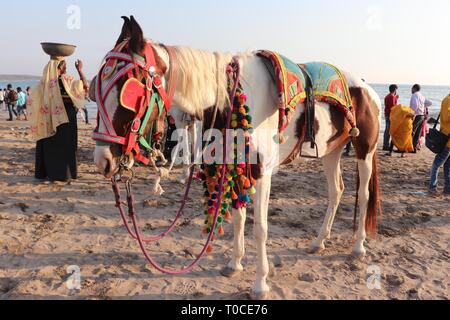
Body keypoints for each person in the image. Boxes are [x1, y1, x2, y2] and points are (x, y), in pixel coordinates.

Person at [29, 58, 88, 182]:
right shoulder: (67, 81)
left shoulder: (43, 83)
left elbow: (35, 101)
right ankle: (64, 174)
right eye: (64, 65)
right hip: (66, 118)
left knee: (50, 146)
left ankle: (45, 173)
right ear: (59, 68)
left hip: (49, 118)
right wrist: (80, 70)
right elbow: (85, 86)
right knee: (66, 147)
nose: (66, 68)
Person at [429, 94, 450, 196]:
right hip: (447, 139)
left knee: (442, 165)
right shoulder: (447, 100)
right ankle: (440, 188)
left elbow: (446, 118)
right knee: (442, 165)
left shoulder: (447, 100)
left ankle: (440, 188)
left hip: (448, 140)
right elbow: (446, 118)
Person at [410, 84, 432, 152]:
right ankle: (414, 148)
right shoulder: (421, 95)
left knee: (412, 131)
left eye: (412, 88)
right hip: (422, 116)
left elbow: (415, 106)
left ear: (414, 88)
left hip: (417, 115)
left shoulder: (414, 95)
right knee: (418, 133)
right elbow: (430, 103)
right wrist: (422, 106)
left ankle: (409, 146)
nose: (411, 90)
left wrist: (412, 113)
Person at [383, 84, 399, 150]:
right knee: (388, 130)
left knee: (387, 130)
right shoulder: (392, 96)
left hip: (387, 114)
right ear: (395, 90)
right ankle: (386, 145)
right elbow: (393, 106)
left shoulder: (388, 96)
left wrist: (396, 98)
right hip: (390, 115)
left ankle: (385, 144)